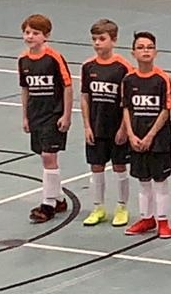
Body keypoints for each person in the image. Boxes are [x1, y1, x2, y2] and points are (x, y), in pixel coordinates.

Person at [119, 31, 171, 239]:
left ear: (156, 52)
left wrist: (150, 136)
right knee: (143, 180)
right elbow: (126, 108)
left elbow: (165, 109)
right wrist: (131, 134)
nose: (146, 51)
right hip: (136, 137)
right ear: (133, 53)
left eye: (150, 47)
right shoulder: (128, 80)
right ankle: (146, 218)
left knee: (160, 180)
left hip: (158, 139)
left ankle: (163, 221)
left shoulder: (162, 79)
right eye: (141, 47)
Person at [77, 19, 132, 228]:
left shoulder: (123, 67)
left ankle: (122, 207)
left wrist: (124, 128)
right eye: (94, 39)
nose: (97, 43)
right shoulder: (88, 67)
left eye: (102, 39)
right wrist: (87, 126)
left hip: (116, 128)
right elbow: (85, 97)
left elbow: (128, 102)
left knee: (119, 166)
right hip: (96, 127)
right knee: (96, 166)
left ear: (114, 40)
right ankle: (98, 207)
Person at [18, 13, 72, 223]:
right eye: (27, 32)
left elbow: (67, 86)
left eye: (35, 33)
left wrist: (66, 115)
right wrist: (25, 116)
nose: (30, 36)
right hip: (36, 115)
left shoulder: (54, 58)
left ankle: (47, 204)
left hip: (53, 115)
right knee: (44, 156)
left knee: (50, 156)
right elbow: (25, 89)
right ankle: (59, 199)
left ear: (46, 36)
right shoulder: (23, 60)